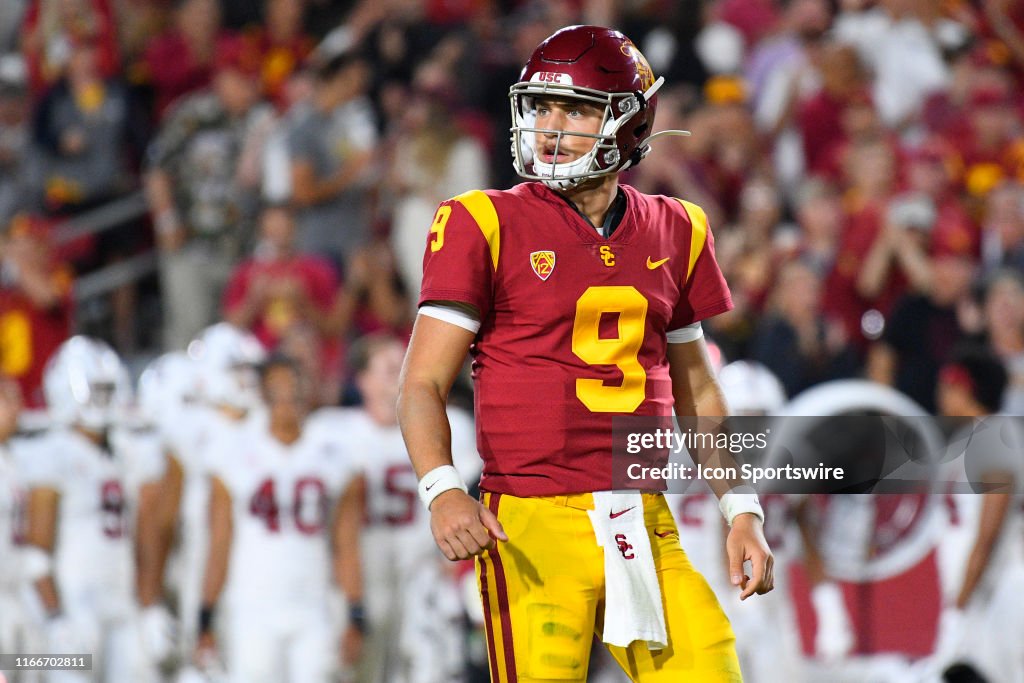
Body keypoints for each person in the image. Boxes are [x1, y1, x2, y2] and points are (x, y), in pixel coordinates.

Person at [397, 25, 773, 683]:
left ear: (628, 122)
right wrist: (443, 488)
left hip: (642, 513)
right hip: (531, 521)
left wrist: (741, 506)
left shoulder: (678, 227)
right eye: (542, 106)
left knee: (713, 669)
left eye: (575, 108)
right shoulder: (481, 221)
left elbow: (699, 392)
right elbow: (423, 379)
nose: (550, 125)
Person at [196, 354, 366, 683]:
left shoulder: (333, 453)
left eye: (294, 388)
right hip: (253, 607)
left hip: (314, 605)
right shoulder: (233, 453)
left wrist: (355, 613)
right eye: (279, 389)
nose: (288, 398)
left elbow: (346, 546)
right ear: (263, 395)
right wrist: (206, 617)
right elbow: (219, 543)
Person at [20, 336, 166, 683]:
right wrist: (54, 616)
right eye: (96, 391)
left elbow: (145, 535)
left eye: (107, 390)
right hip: (74, 603)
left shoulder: (124, 450)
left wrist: (150, 607)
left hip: (120, 598)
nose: (104, 401)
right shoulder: (53, 450)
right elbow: (37, 546)